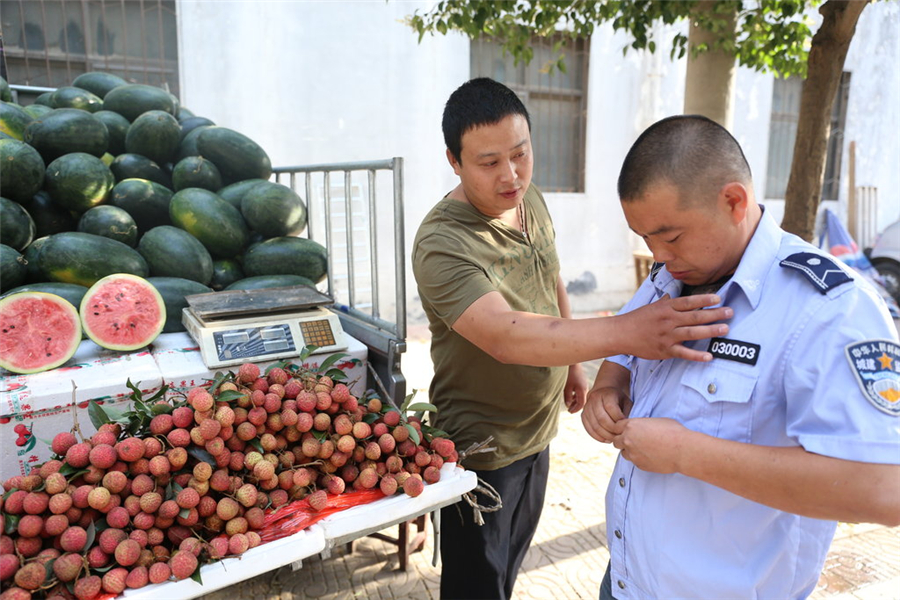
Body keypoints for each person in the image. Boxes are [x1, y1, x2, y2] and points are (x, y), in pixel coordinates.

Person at [412, 79, 733, 600]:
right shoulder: (442, 242)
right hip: (482, 444)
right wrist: (629, 332)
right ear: (454, 160)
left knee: (510, 565)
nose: (510, 175)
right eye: (489, 163)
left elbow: (550, 277)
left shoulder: (528, 200)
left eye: (520, 154)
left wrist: (575, 368)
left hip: (537, 432)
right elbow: (503, 335)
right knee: (477, 584)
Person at [581, 115, 900, 599]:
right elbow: (627, 344)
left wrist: (687, 453)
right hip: (628, 581)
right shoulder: (672, 276)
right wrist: (610, 386)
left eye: (670, 236)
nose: (658, 256)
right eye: (645, 239)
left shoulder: (829, 309)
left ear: (733, 201)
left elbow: (882, 490)